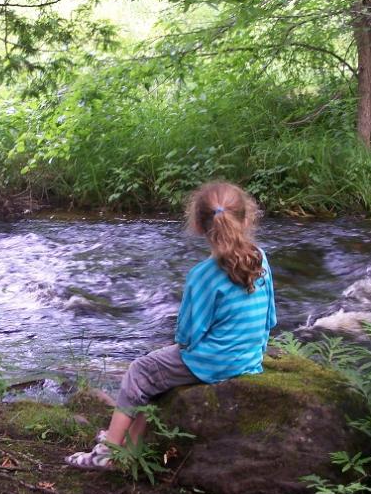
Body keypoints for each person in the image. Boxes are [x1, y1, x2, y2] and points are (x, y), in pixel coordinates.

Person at [65, 181, 277, 471]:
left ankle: (108, 452)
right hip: (249, 357)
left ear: (200, 226)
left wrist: (179, 348)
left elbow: (188, 337)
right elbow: (270, 317)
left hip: (214, 362)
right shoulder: (260, 258)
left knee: (139, 372)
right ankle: (131, 445)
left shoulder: (203, 276)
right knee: (157, 377)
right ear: (246, 218)